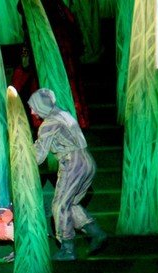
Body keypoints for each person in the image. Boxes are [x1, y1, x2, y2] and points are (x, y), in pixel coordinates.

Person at [28, 88, 107, 261]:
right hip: (88, 161)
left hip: (73, 163)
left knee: (59, 205)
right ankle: (96, 233)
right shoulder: (64, 114)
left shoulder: (48, 124)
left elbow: (38, 157)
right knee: (71, 204)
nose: (32, 112)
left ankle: (68, 249)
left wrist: (23, 152)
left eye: (34, 107)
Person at [11, 0, 89, 129]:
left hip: (52, 44)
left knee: (53, 77)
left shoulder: (53, 9)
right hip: (48, 44)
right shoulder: (52, 8)